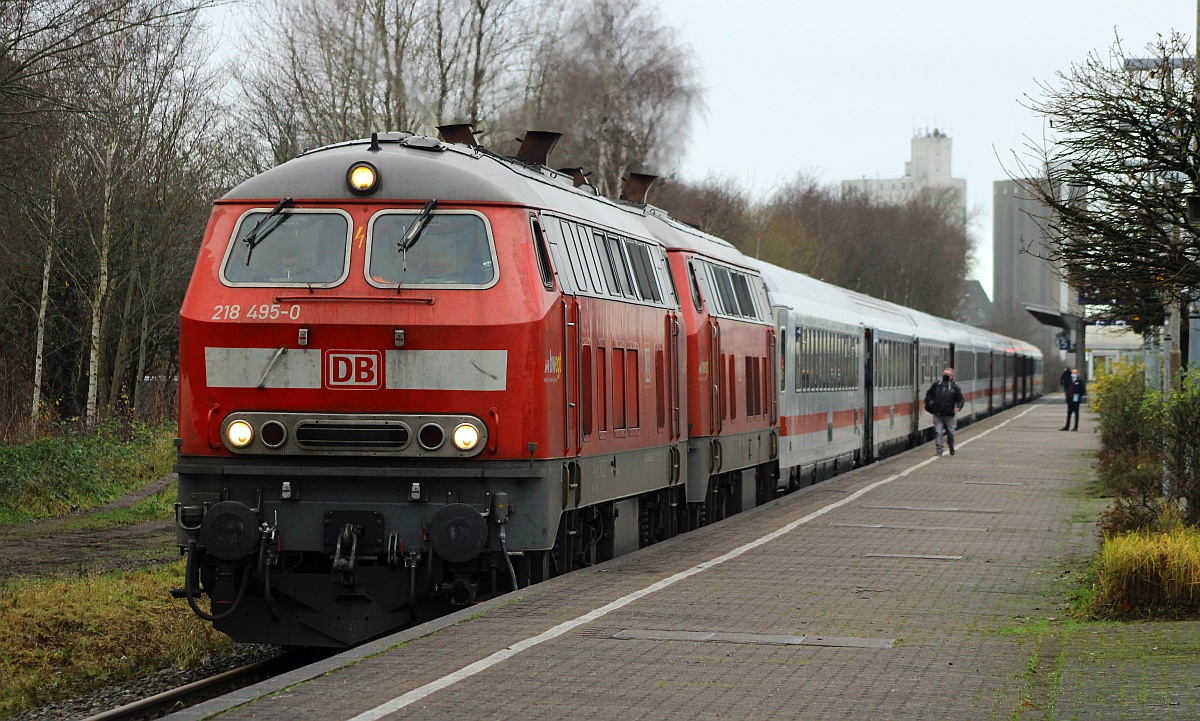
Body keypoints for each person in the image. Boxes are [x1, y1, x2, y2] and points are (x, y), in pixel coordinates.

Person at [924, 367, 964, 456]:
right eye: (944, 374)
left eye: (948, 375)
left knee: (950, 432)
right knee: (938, 432)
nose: (945, 376)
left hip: (949, 414)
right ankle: (939, 451)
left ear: (952, 376)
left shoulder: (955, 387)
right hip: (937, 413)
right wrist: (930, 402)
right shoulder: (936, 385)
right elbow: (929, 394)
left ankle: (951, 445)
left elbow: (960, 399)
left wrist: (959, 407)